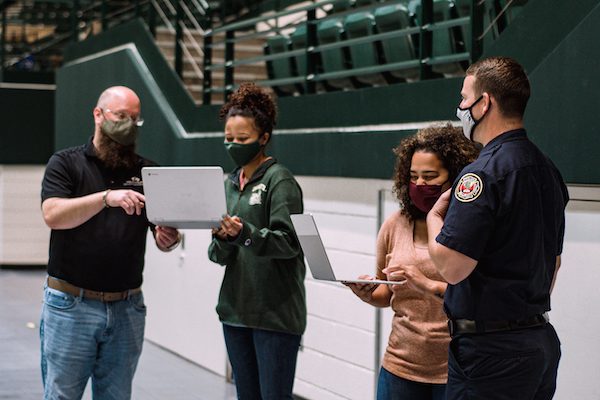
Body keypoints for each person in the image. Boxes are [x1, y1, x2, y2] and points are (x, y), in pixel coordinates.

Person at [426, 56, 569, 399]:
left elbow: (452, 268)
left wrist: (433, 219)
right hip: (539, 343)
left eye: (464, 98)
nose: (460, 106)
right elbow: (554, 264)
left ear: (484, 102)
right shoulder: (548, 170)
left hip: (491, 353)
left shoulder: (482, 173)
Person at [40, 86, 181, 400]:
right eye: (121, 116)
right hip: (70, 306)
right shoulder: (66, 163)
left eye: (134, 118)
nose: (128, 124)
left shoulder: (147, 172)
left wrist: (167, 239)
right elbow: (53, 215)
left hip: (126, 308)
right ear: (98, 114)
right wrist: (106, 198)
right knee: (62, 394)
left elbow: (163, 236)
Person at [346, 125, 479, 400]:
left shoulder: (468, 227)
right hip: (400, 365)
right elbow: (387, 293)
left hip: (454, 369)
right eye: (413, 176)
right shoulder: (395, 225)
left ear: (454, 177)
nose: (419, 185)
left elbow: (476, 295)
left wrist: (424, 283)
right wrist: (368, 294)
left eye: (430, 176)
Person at [208, 83, 306, 400]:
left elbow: (290, 242)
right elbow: (218, 255)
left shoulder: (281, 180)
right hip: (235, 311)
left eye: (242, 139)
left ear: (263, 138)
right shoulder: (227, 183)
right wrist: (223, 239)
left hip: (274, 315)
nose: (233, 145)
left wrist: (244, 234)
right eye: (228, 139)